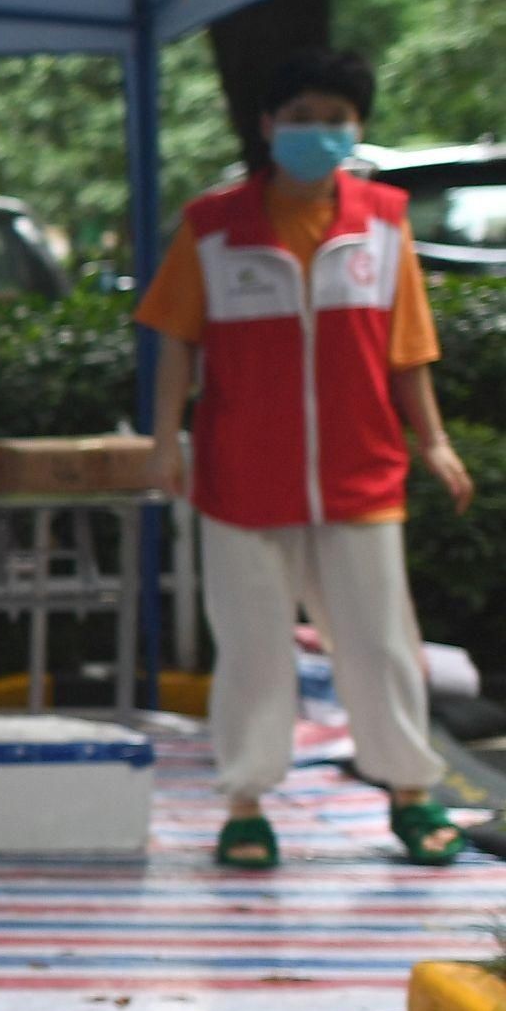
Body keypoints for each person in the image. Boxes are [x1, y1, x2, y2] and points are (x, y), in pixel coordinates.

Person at [138, 47, 475, 869]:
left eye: (335, 120)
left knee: (381, 642)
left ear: (358, 128)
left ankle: (409, 792)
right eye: (301, 119)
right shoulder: (213, 227)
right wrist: (163, 442)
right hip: (240, 476)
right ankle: (246, 802)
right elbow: (177, 341)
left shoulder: (385, 222)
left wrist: (432, 439)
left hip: (361, 475)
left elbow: (407, 348)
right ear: (268, 127)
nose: (318, 134)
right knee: (251, 646)